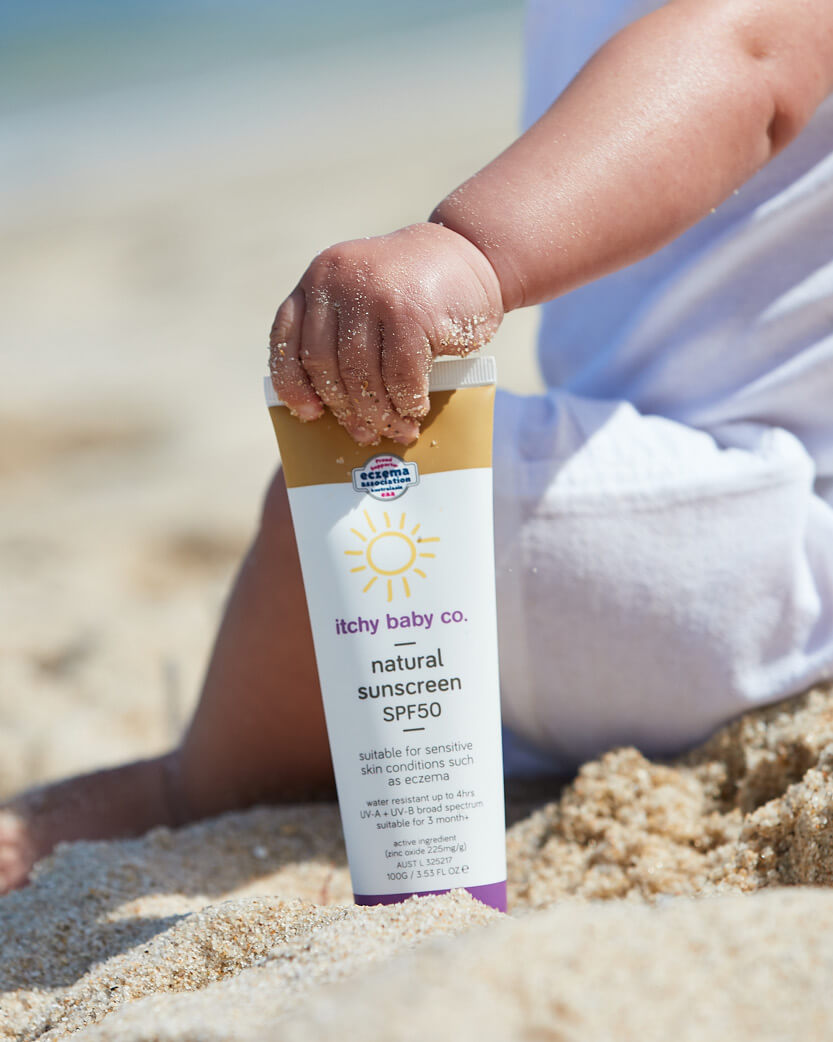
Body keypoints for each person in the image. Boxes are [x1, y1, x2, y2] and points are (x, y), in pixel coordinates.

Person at [3, 0, 833, 893]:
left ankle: (202, 786)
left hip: (765, 523)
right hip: (719, 527)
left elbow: (747, 53)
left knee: (351, 509)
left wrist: (473, 251)